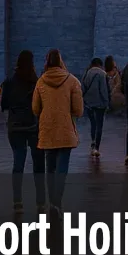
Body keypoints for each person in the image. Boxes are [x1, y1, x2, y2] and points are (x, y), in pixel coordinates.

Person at [32, 49, 82, 217]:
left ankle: (52, 201)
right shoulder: (72, 81)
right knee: (62, 169)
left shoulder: (40, 82)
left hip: (47, 129)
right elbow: (79, 110)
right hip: (65, 129)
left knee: (50, 167)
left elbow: (35, 108)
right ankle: (57, 202)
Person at [2, 50, 44, 214]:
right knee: (38, 165)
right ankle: (40, 201)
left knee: (18, 164)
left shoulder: (10, 81)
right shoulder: (36, 82)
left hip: (15, 126)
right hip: (33, 126)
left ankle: (17, 201)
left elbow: (4, 104)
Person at [80, 57, 110, 157]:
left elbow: (82, 89)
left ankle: (93, 141)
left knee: (93, 123)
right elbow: (104, 90)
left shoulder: (86, 73)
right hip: (100, 104)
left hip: (89, 103)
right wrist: (106, 103)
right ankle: (96, 147)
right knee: (99, 125)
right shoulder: (102, 74)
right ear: (100, 65)